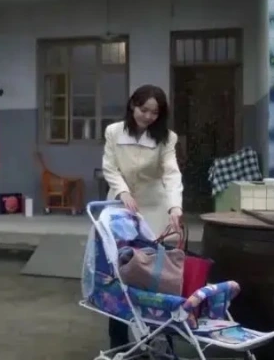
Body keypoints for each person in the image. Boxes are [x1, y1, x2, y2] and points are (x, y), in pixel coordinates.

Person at [101, 83, 184, 349]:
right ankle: (119, 341)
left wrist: (175, 206)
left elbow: (171, 173)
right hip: (121, 208)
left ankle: (161, 339)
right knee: (120, 273)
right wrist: (123, 191)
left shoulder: (166, 138)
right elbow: (110, 167)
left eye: (154, 112)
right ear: (132, 106)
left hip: (154, 208)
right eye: (143, 109)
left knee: (157, 275)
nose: (148, 116)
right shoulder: (114, 132)